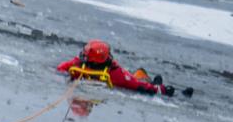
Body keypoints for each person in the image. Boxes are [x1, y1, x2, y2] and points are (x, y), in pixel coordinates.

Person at [56, 39, 190, 97]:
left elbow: (137, 86)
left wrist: (162, 90)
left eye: (85, 54)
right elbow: (60, 68)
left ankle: (151, 80)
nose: (82, 56)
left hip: (132, 78)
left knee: (138, 80)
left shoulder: (116, 74)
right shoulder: (78, 64)